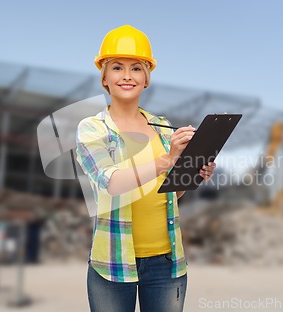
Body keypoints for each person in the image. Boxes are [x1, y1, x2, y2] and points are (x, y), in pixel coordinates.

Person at [75, 25, 217, 312]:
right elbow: (111, 182)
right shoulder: (93, 129)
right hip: (113, 265)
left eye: (136, 68)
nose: (127, 76)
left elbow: (170, 196)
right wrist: (167, 160)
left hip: (167, 263)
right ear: (104, 76)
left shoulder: (163, 127)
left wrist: (192, 175)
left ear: (146, 78)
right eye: (117, 67)